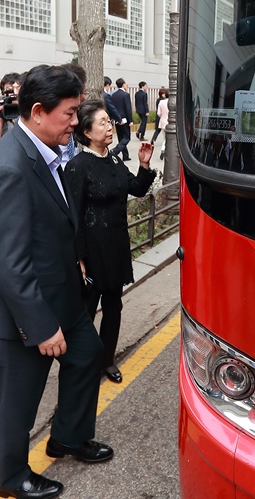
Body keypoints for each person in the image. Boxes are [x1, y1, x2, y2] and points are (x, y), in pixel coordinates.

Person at [0, 64, 111, 499]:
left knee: (87, 356)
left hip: (62, 295)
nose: (76, 122)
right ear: (37, 111)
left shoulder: (43, 151)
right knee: (20, 402)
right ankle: (10, 478)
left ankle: (68, 437)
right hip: (27, 312)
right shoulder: (9, 167)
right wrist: (40, 327)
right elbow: (8, 262)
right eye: (70, 113)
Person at [64, 99, 156, 384]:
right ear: (87, 132)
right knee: (87, 310)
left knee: (114, 306)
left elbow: (137, 189)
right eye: (102, 122)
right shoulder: (78, 167)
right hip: (91, 250)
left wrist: (143, 165)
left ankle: (107, 360)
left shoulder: (114, 158)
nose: (110, 126)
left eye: (109, 121)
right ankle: (80, 363)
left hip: (116, 245)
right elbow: (73, 216)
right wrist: (78, 258)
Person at [111, 78, 133, 161]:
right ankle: (115, 151)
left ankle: (125, 155)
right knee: (127, 137)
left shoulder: (113, 95)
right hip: (124, 119)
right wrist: (130, 120)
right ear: (123, 84)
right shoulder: (125, 95)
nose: (127, 85)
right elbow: (128, 108)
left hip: (117, 119)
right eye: (126, 84)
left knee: (121, 137)